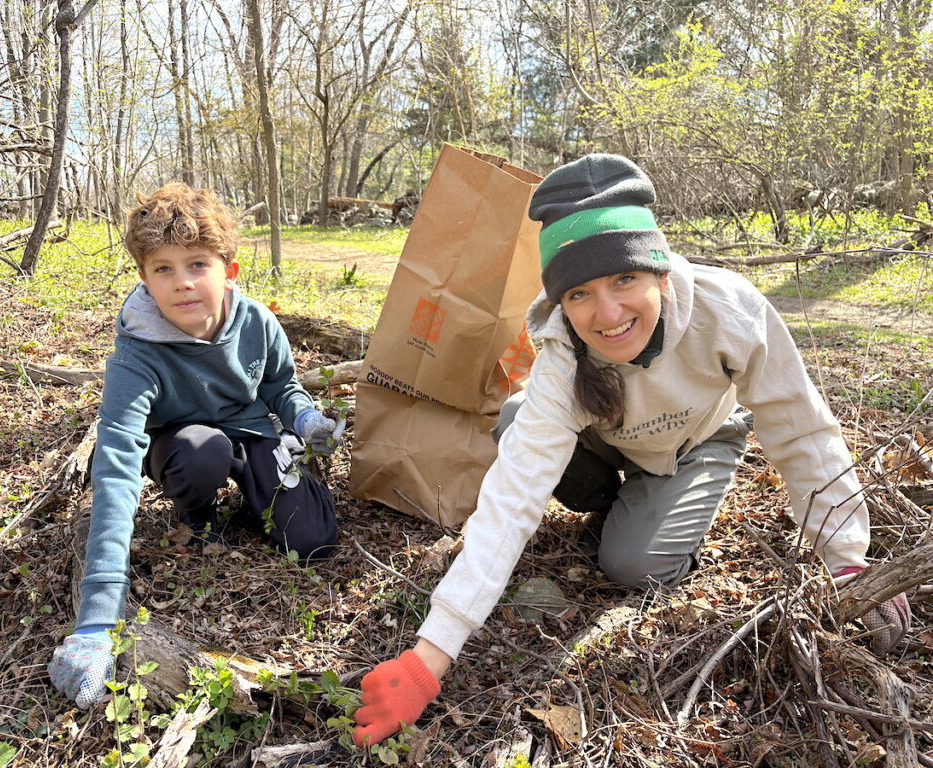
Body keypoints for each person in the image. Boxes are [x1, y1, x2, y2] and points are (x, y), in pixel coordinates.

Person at [352, 154, 911, 746]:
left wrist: (845, 556)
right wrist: (429, 657)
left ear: (660, 273)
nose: (608, 314)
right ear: (562, 304)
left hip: (693, 443)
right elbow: (512, 499)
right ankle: (623, 504)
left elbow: (801, 431)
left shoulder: (730, 313)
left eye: (624, 280)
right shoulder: (563, 355)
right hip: (610, 444)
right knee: (518, 420)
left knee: (630, 566)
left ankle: (658, 514)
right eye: (580, 294)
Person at [48, 183, 344, 709]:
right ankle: (198, 511)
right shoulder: (135, 355)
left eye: (197, 264)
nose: (182, 283)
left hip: (250, 429)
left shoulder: (256, 321)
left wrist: (303, 416)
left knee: (313, 541)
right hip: (182, 443)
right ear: (144, 277)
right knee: (201, 451)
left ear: (227, 270)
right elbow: (116, 464)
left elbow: (279, 383)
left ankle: (261, 484)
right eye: (163, 269)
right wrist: (96, 620)